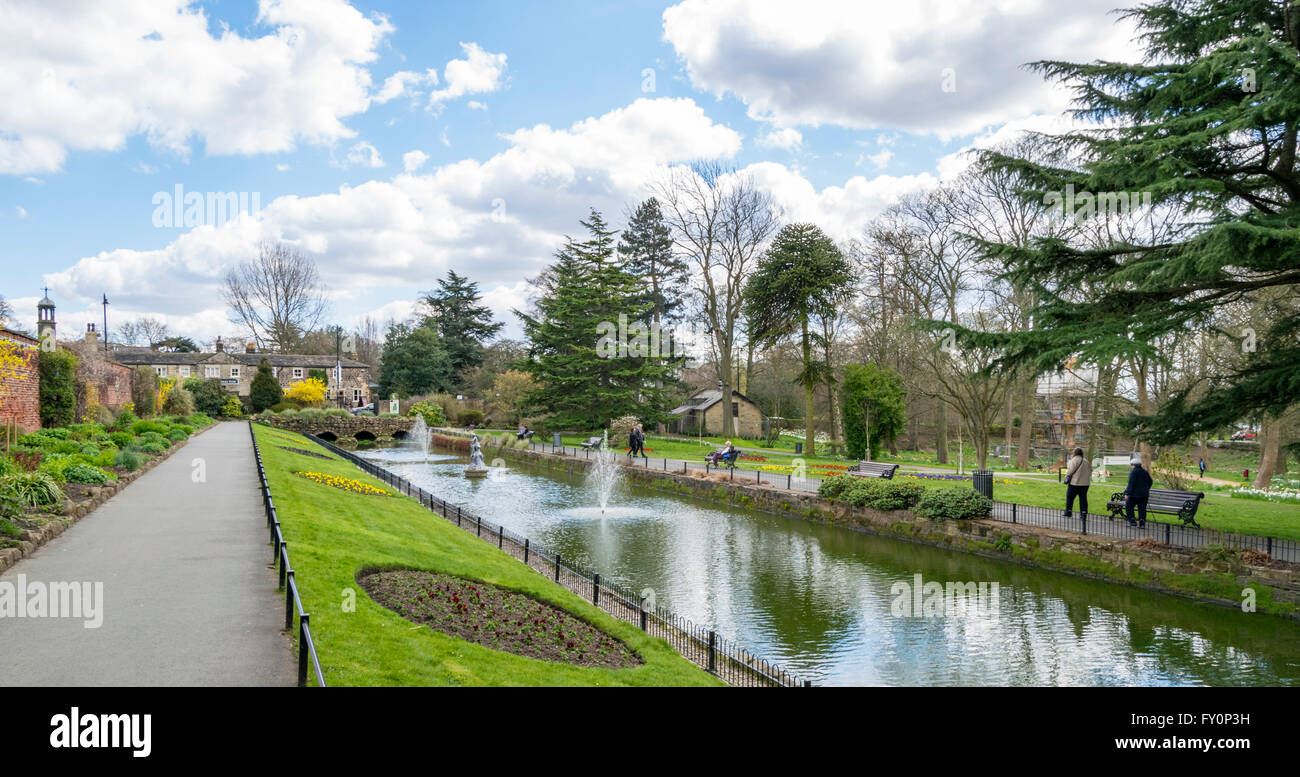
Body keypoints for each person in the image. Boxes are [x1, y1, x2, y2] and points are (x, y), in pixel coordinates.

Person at [1121, 455, 1153, 527]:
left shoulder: (1133, 472)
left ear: (1133, 465)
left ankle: (1132, 521)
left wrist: (1127, 493)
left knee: (1129, 506)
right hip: (1144, 495)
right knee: (1142, 509)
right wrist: (1146, 488)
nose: (1131, 466)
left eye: (1131, 465)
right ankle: (1142, 523)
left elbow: (1131, 484)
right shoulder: (1145, 472)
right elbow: (1150, 482)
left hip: (1134, 495)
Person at [1063, 448, 1091, 518]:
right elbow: (1090, 471)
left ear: (1075, 453)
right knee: (1083, 499)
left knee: (1070, 497)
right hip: (1085, 484)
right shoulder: (1086, 461)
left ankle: (1068, 512)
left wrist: (1066, 476)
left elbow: (1070, 471)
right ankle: (1083, 513)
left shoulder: (1073, 460)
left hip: (1075, 483)